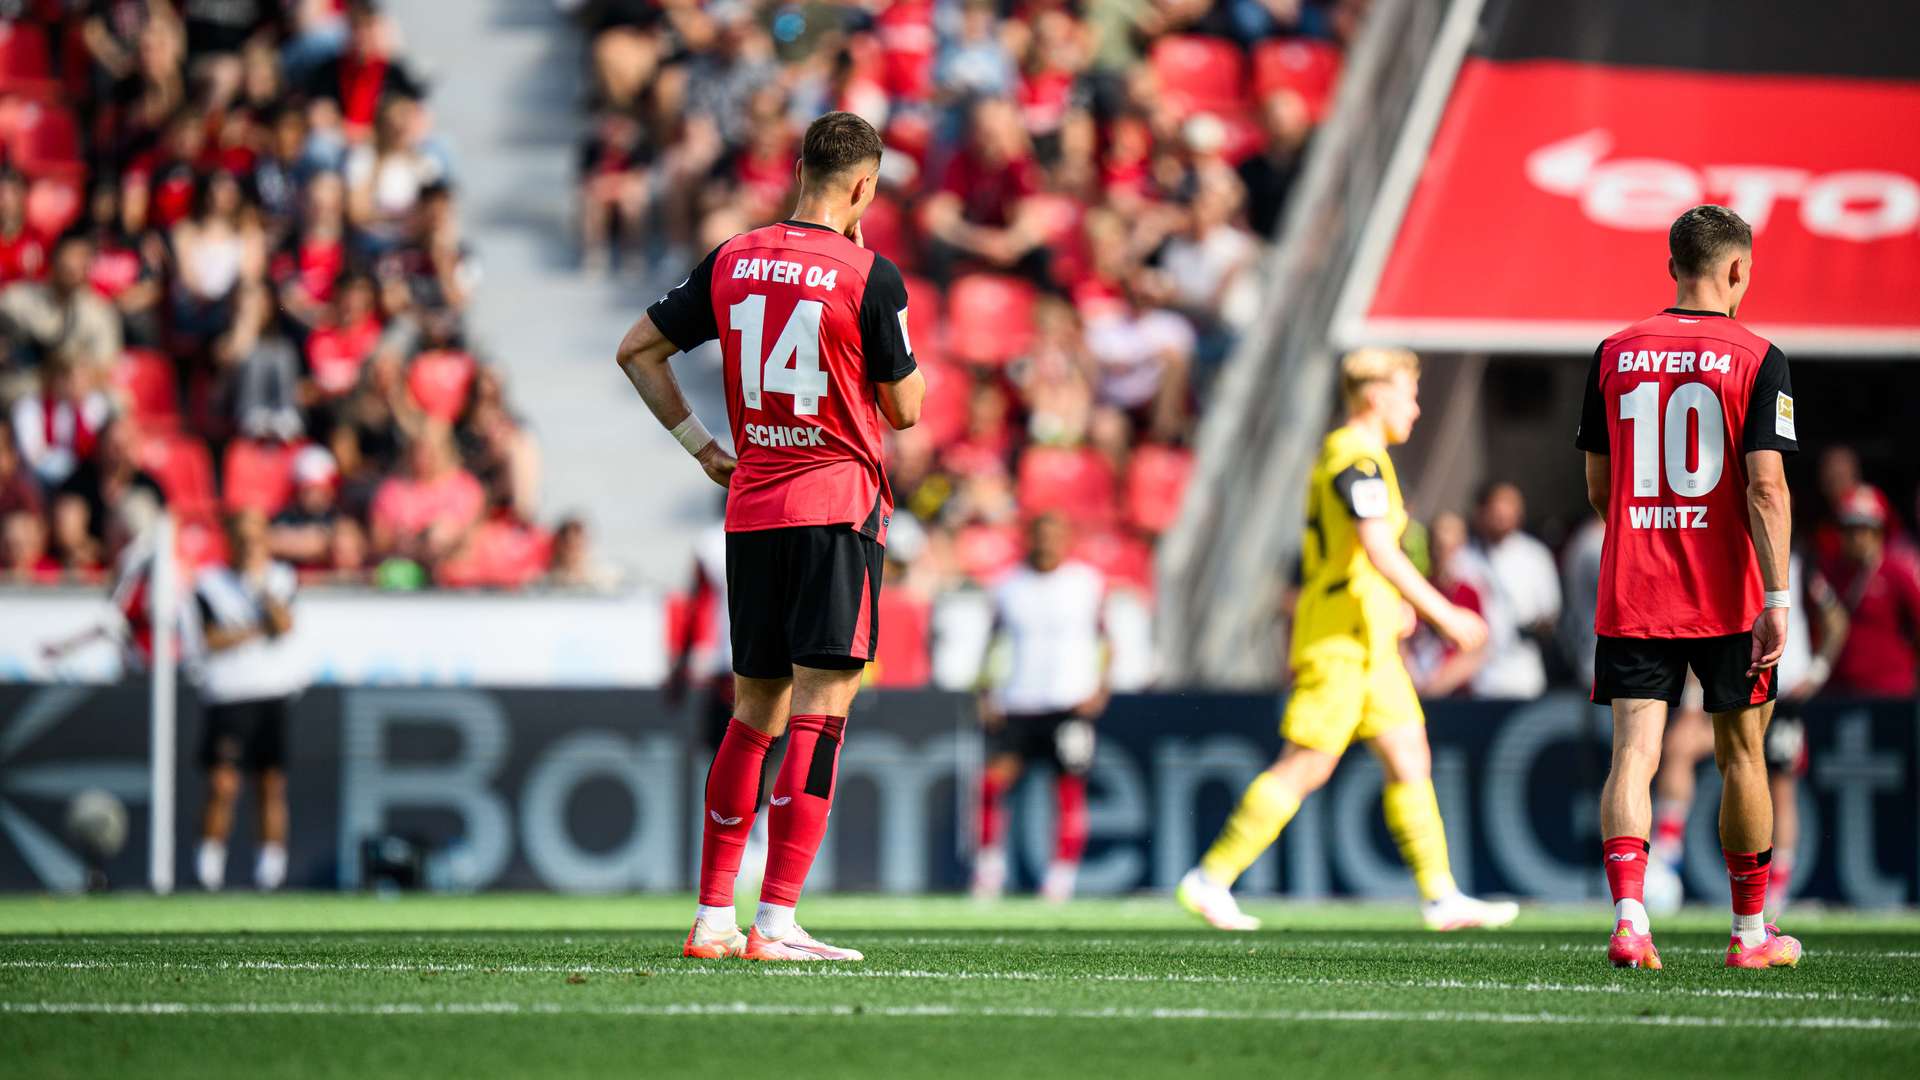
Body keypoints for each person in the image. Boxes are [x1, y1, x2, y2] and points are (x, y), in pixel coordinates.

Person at [614, 112, 924, 962]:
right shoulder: (870, 274)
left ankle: (714, 917)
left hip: (752, 506)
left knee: (753, 712)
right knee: (822, 712)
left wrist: (703, 448)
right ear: (864, 187)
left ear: (797, 171)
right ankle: (777, 920)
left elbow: (638, 349)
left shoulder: (733, 258)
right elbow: (908, 408)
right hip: (836, 508)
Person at [1178, 348, 1513, 932]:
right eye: (1408, 394)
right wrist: (1444, 616)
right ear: (1375, 396)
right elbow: (1377, 550)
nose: (1415, 406)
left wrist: (1398, 609)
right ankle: (1211, 878)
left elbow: (1364, 558)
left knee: (1410, 755)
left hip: (1371, 641)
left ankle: (1441, 897)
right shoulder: (1353, 457)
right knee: (1307, 763)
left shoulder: (1367, 457)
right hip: (1339, 642)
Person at [1576, 204, 1802, 970]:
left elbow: (1600, 489)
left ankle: (1632, 922)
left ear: (1672, 264)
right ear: (1737, 269)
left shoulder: (1614, 351)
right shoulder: (1760, 354)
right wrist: (1777, 598)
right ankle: (1748, 937)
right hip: (1730, 595)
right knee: (1745, 757)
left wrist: (1649, 534)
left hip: (1635, 591)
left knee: (1633, 755)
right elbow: (1766, 489)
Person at [971, 513, 1110, 904]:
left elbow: (1106, 638)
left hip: (1069, 701)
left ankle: (1060, 879)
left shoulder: (1086, 583)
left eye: (1055, 534)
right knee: (990, 785)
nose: (1047, 542)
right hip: (1017, 702)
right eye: (1040, 533)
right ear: (1028, 536)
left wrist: (1101, 687)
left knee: (1067, 792)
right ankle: (989, 870)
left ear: (1067, 539)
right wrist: (985, 692)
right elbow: (992, 641)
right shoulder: (1007, 585)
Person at [186, 510, 304, 892]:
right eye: (243, 538)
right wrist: (256, 629)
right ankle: (209, 867)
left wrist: (261, 592)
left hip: (271, 692)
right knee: (222, 785)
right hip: (228, 694)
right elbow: (211, 639)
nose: (250, 546)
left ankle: (270, 871)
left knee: (270, 784)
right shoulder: (210, 583)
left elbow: (284, 625)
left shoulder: (280, 578)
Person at [1811, 486, 1920, 698]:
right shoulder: (1830, 573)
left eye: (1862, 529)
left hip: (1891, 692)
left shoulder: (1897, 572)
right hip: (1839, 692)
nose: (1855, 537)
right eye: (1847, 529)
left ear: (1878, 531)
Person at [1468, 482, 1561, 699]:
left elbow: (1551, 613)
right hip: (1477, 681)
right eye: (1497, 507)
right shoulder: (1465, 558)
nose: (1503, 514)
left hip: (1524, 679)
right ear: (1481, 511)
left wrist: (1535, 627)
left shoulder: (1535, 555)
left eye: (1510, 507)